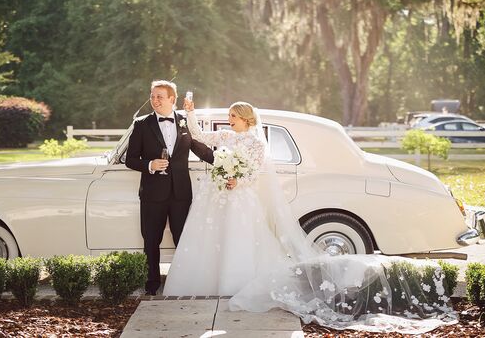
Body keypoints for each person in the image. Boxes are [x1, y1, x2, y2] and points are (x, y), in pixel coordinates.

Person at [163, 99, 458, 334]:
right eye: (229, 116)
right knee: (215, 239)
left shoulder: (256, 143)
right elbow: (200, 136)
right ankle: (211, 281)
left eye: (234, 117)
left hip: (238, 194)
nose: (230, 121)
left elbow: (252, 173)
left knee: (242, 239)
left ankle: (235, 281)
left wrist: (236, 180)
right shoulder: (228, 136)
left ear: (246, 119)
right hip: (222, 196)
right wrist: (190, 112)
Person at [125, 80, 214, 295]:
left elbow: (201, 150)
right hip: (152, 193)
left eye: (160, 97)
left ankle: (185, 282)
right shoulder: (142, 125)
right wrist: (150, 165)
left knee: (182, 239)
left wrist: (227, 164)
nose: (154, 100)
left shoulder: (184, 122)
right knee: (151, 239)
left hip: (180, 193)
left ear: (172, 99)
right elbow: (130, 159)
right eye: (152, 96)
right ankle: (152, 284)